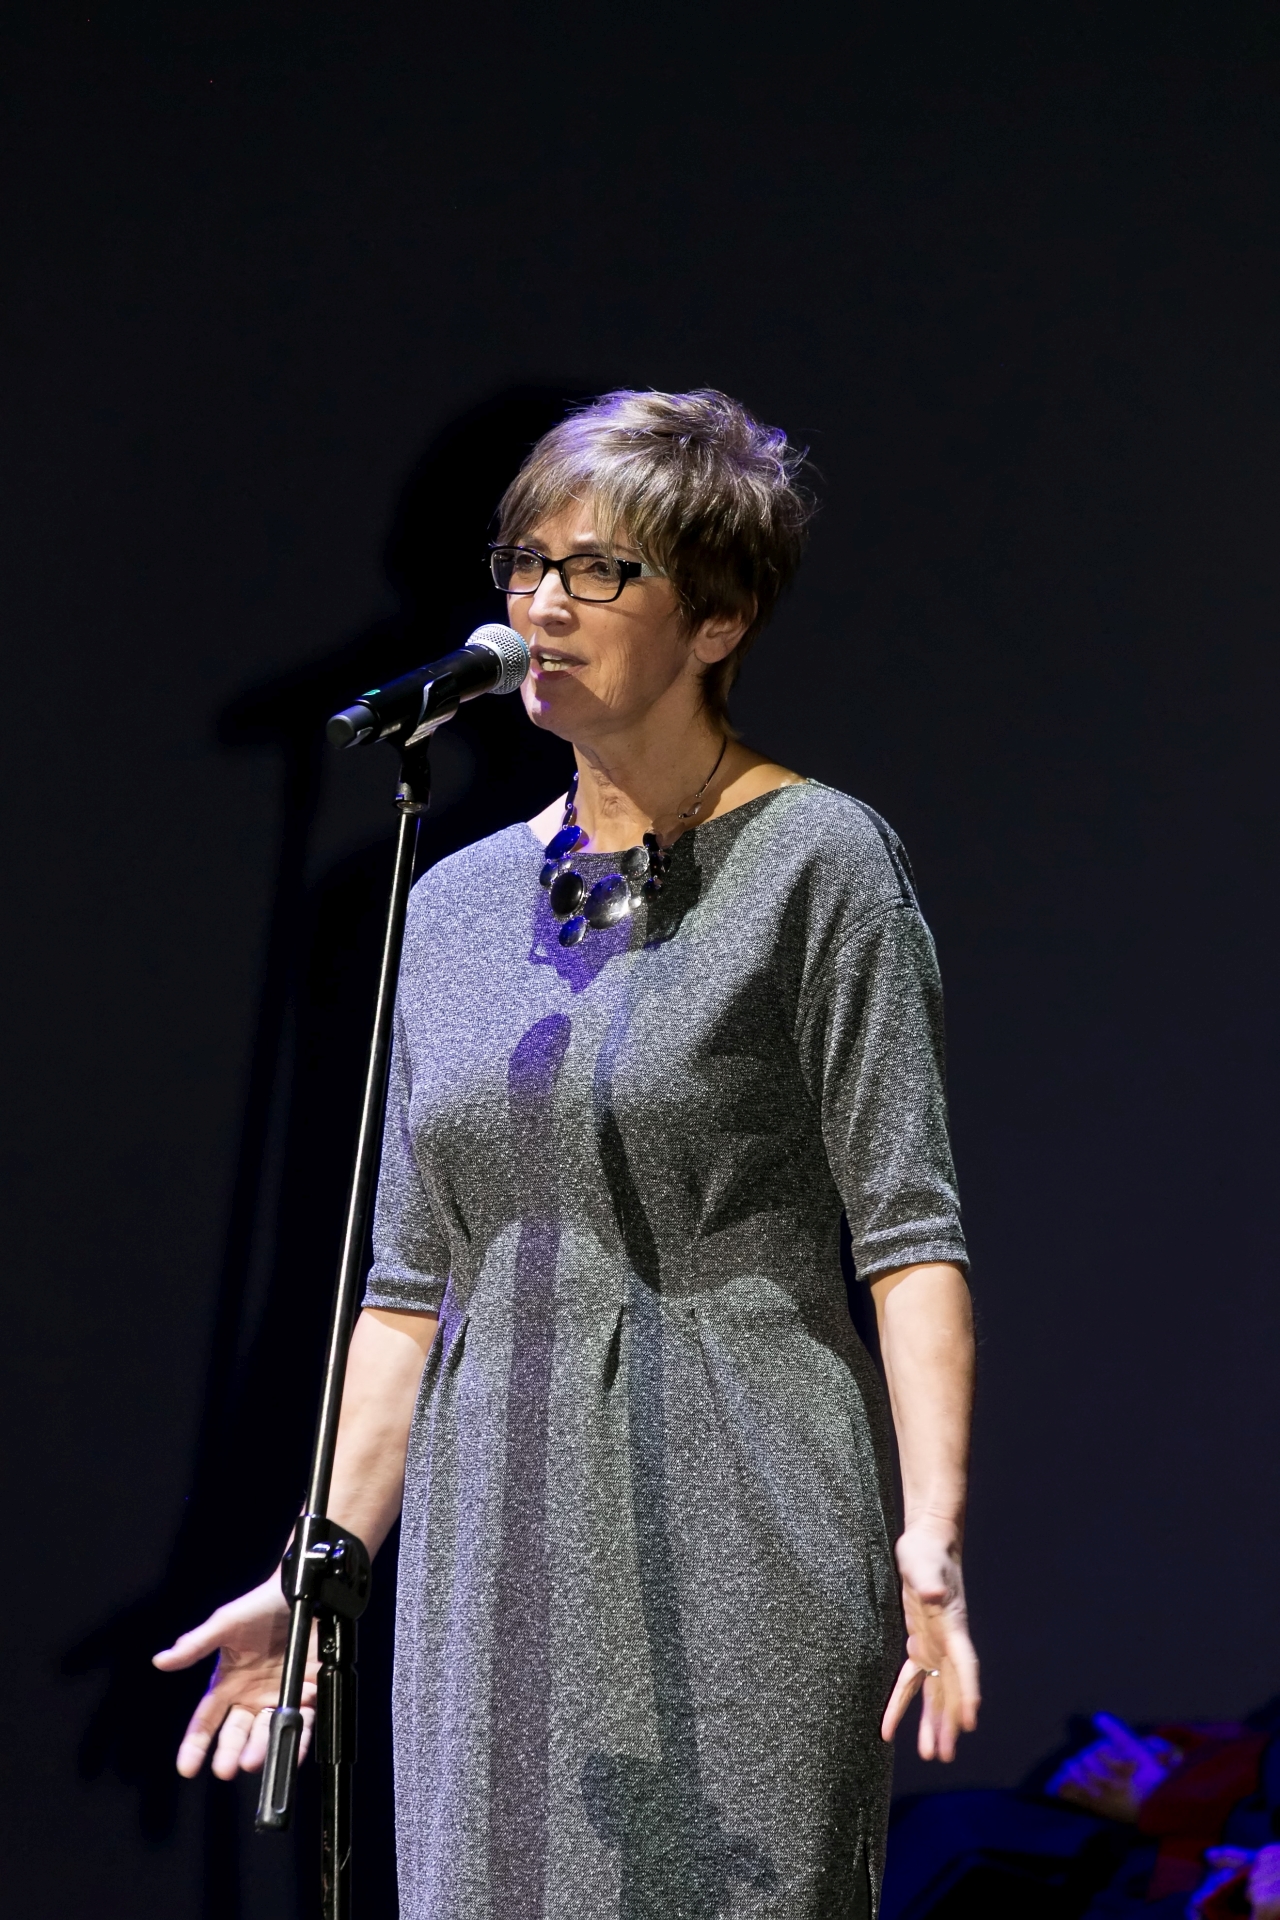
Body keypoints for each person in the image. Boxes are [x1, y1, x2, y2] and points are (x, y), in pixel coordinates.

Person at [154, 388, 980, 1917]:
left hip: (741, 1508)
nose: (542, 604)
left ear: (718, 621)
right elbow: (408, 1289)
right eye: (527, 563)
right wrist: (318, 1568)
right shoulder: (451, 905)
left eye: (599, 571)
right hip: (491, 1532)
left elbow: (908, 1232)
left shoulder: (819, 862)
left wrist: (929, 1533)